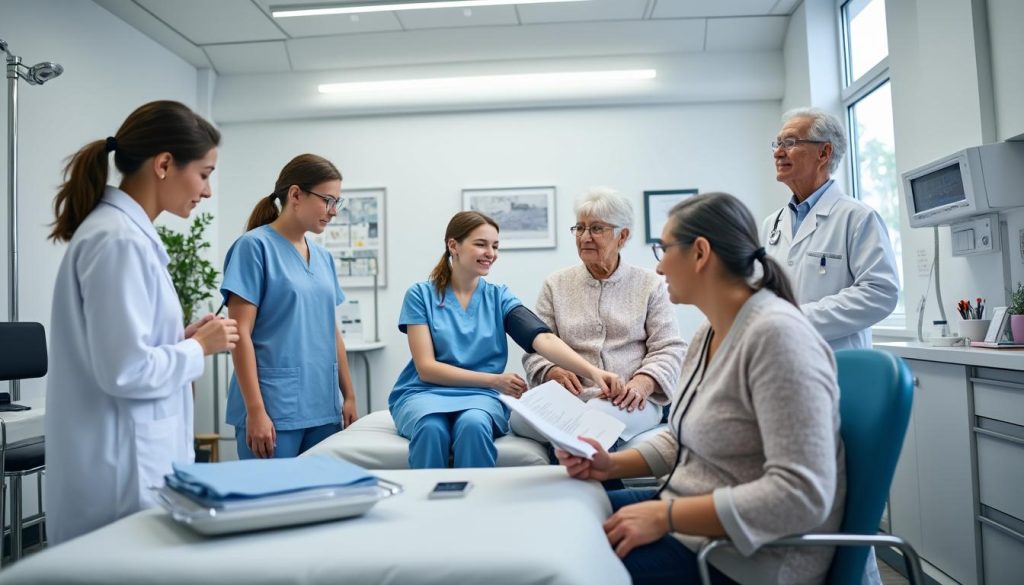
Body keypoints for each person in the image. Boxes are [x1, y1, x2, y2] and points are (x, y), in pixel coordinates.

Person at [558, 193, 845, 585]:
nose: (659, 267)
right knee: (565, 521)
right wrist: (611, 465)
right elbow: (685, 440)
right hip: (690, 515)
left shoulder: (777, 338)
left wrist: (667, 516)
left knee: (568, 567)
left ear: (700, 253)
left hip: (744, 555)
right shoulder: (710, 333)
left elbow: (801, 495)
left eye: (664, 249)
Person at [45, 101, 239, 545]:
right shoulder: (118, 240)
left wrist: (182, 340)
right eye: (205, 174)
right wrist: (198, 349)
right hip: (118, 477)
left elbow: (129, 350)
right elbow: (125, 370)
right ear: (165, 164)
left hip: (131, 462)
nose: (207, 192)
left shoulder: (126, 236)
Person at [390, 211, 625, 469]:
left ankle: (479, 505)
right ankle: (424, 508)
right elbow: (427, 369)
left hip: (479, 397)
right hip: (425, 393)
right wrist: (494, 380)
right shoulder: (420, 295)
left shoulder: (499, 296)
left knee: (473, 425)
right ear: (453, 245)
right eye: (481, 244)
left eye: (495, 246)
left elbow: (542, 338)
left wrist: (593, 372)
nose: (491, 253)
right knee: (431, 428)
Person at [222, 154, 358, 460]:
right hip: (272, 409)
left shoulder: (324, 259)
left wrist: (348, 395)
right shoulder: (253, 247)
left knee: (322, 503)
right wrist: (255, 411)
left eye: (338, 202)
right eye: (327, 200)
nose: (333, 211)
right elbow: (239, 333)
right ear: (295, 194)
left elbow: (331, 330)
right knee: (270, 503)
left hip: (323, 405)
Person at [520, 187, 685, 441]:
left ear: (622, 236)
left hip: (627, 397)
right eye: (580, 228)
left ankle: (586, 475)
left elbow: (669, 348)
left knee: (595, 418)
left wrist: (643, 383)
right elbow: (535, 348)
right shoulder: (556, 284)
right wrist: (552, 371)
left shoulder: (649, 284)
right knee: (519, 418)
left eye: (596, 228)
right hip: (568, 397)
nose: (585, 237)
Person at [762, 107, 899, 351]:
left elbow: (880, 293)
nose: (778, 153)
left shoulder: (857, 217)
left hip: (839, 363)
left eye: (790, 142)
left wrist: (798, 318)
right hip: (783, 358)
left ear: (824, 152)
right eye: (777, 144)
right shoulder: (771, 225)